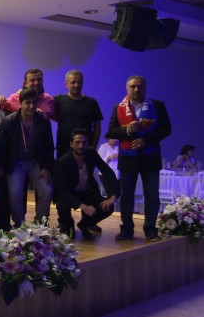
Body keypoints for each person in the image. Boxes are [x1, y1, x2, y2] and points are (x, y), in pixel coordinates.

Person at [108, 75, 172, 241]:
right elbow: (111, 131)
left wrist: (146, 140)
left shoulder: (157, 105)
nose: (136, 89)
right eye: (133, 86)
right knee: (126, 197)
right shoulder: (118, 107)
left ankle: (150, 230)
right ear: (127, 88)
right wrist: (127, 131)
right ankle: (127, 230)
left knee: (152, 196)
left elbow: (166, 129)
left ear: (145, 88)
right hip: (128, 159)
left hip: (150, 157)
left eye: (140, 86)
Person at [0, 88, 54, 227]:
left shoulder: (43, 120)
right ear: (20, 104)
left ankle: (39, 225)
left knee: (47, 191)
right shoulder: (9, 121)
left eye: (34, 102)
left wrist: (46, 168)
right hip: (15, 163)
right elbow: (0, 146)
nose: (32, 106)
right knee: (15, 195)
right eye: (28, 103)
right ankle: (20, 226)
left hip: (36, 162)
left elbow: (49, 146)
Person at [55, 128, 118, 239]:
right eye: (77, 142)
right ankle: (67, 225)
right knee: (70, 234)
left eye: (84, 142)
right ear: (71, 144)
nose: (81, 146)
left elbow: (108, 172)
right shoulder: (63, 161)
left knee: (108, 207)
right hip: (68, 195)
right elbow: (63, 191)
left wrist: (113, 196)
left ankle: (85, 224)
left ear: (88, 144)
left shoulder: (91, 153)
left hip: (87, 192)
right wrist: (84, 207)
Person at [53, 69, 103, 158]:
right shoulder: (58, 100)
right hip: (63, 149)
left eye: (79, 82)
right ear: (66, 84)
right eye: (73, 82)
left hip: (85, 149)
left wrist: (93, 147)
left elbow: (97, 127)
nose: (76, 85)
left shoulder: (91, 102)